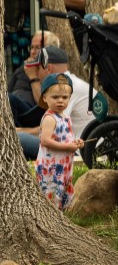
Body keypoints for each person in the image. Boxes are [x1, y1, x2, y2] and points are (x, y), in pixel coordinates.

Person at [34, 73, 80, 209]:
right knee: (52, 192)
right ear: (45, 97)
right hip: (51, 167)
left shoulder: (66, 117)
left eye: (65, 97)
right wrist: (67, 147)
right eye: (55, 97)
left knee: (61, 190)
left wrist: (76, 143)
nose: (60, 100)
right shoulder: (50, 118)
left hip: (63, 165)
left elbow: (66, 138)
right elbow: (45, 141)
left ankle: (62, 214)